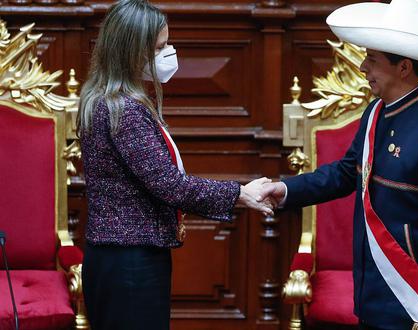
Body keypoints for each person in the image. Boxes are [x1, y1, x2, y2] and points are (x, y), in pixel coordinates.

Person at [260, 1, 418, 329]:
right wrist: (287, 189)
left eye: (372, 60)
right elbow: (347, 172)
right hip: (374, 294)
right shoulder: (377, 112)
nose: (363, 67)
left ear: (403, 67)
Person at [77, 0, 272, 329]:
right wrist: (239, 192)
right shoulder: (125, 109)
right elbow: (170, 184)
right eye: (159, 47)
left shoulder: (106, 99)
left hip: (119, 255)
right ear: (130, 51)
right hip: (130, 263)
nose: (169, 53)